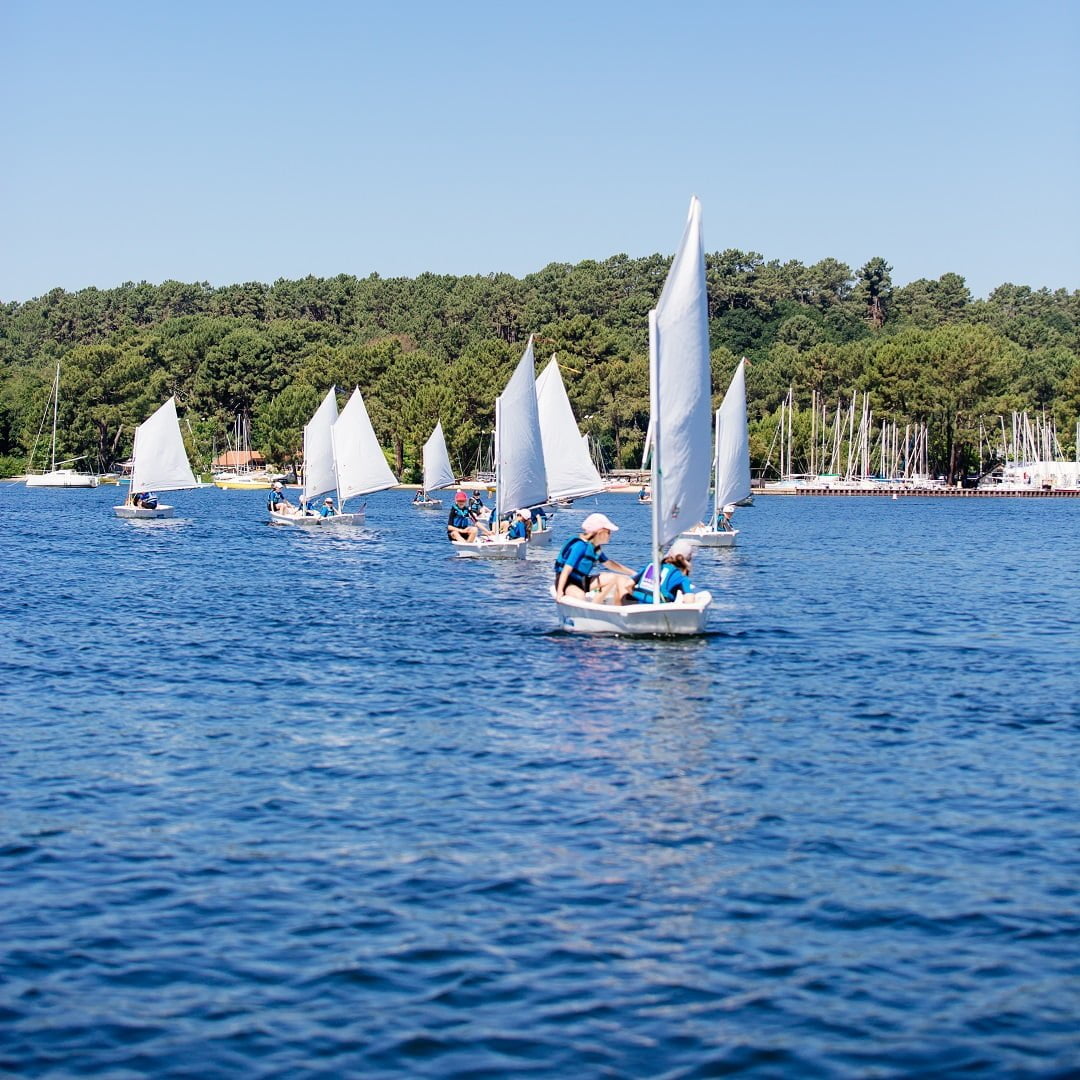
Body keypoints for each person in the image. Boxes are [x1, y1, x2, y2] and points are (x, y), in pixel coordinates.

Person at [554, 513, 635, 603]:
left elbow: (610, 564)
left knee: (614, 578)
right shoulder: (580, 546)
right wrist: (560, 591)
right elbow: (567, 569)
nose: (610, 535)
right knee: (580, 596)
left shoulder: (595, 548)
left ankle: (596, 605)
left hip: (582, 581)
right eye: (608, 532)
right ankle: (588, 609)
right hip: (567, 583)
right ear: (600, 532)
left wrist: (632, 573)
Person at [628, 539, 698, 605]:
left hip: (639, 603)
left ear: (669, 553)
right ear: (689, 559)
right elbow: (689, 599)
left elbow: (629, 584)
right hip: (660, 608)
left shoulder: (652, 566)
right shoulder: (681, 575)